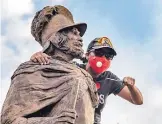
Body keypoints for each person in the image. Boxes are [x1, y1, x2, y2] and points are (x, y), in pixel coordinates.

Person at [1, 5, 98, 124]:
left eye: (79, 34)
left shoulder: (83, 74)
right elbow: (8, 120)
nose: (80, 39)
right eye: (74, 33)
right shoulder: (31, 72)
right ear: (56, 38)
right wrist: (52, 122)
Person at [30, 36, 143, 124]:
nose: (103, 58)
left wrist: (132, 87)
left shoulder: (110, 79)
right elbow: (48, 68)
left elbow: (138, 101)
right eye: (99, 53)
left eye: (109, 56)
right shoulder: (72, 68)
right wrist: (38, 56)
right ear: (87, 55)